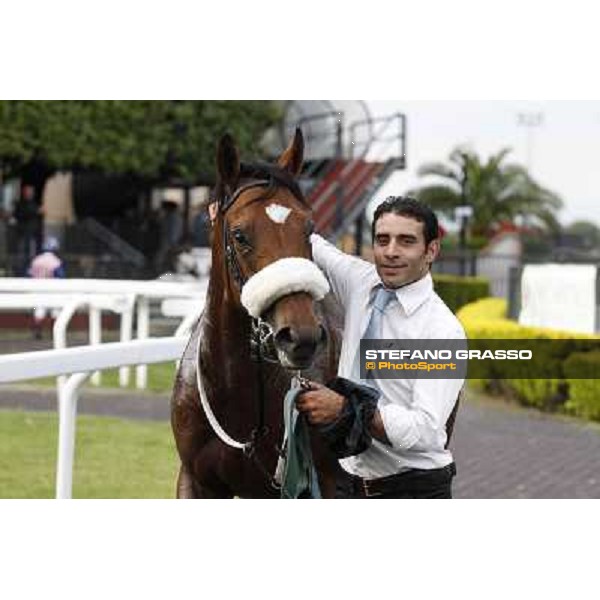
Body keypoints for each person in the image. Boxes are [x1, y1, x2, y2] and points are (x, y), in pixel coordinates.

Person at [297, 196, 466, 498]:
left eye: (406, 241)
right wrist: (226, 209)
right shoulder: (361, 281)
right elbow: (307, 239)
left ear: (431, 250)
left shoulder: (443, 331)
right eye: (382, 239)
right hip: (348, 485)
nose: (390, 252)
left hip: (413, 491)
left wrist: (346, 411)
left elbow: (425, 430)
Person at [28, 237, 66, 339]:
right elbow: (60, 276)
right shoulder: (56, 261)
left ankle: (37, 331)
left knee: (38, 310)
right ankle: (54, 332)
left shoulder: (36, 260)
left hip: (37, 288)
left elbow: (30, 274)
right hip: (52, 289)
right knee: (55, 311)